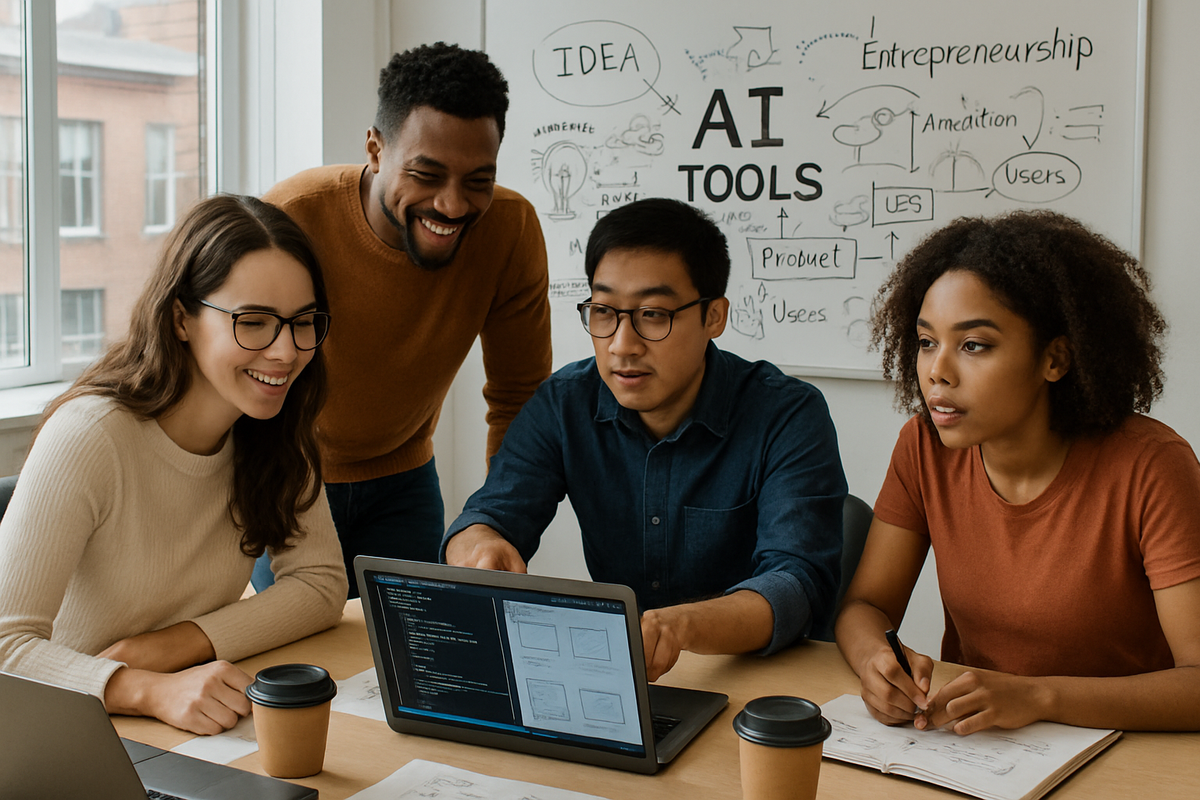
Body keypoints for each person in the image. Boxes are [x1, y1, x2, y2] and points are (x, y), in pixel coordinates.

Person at [443, 198, 847, 681]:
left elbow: (796, 584)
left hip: (756, 680)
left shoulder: (786, 413)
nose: (621, 344)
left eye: (653, 314)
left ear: (713, 316)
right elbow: (489, 515)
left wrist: (679, 627)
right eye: (603, 311)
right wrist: (479, 547)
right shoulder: (565, 403)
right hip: (623, 678)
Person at [836, 210, 1200, 734]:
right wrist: (876, 659)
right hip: (978, 753)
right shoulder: (924, 447)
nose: (937, 371)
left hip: (1125, 752)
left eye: (973, 345)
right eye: (925, 342)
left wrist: (1039, 696)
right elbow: (865, 606)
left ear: (1055, 359)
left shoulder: (1152, 466)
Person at [0, 195, 348, 735]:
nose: (285, 352)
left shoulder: (276, 425)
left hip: (172, 726)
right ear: (181, 318)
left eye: (303, 322)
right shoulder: (91, 437)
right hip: (56, 735)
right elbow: (4, 649)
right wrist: (141, 685)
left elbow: (321, 585)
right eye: (253, 322)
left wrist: (172, 645)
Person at [261, 42, 551, 596]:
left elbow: (519, 397)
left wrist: (496, 523)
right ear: (375, 148)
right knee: (287, 662)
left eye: (477, 180)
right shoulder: (293, 217)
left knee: (414, 666)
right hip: (287, 476)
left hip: (405, 480)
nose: (451, 205)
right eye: (427, 173)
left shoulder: (510, 231)